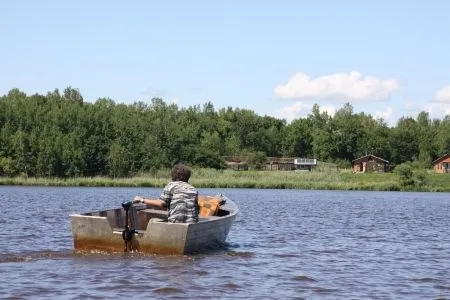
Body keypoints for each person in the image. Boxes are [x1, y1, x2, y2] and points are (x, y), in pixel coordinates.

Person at [133, 163, 199, 223]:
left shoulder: (171, 185)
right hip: (192, 224)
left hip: (176, 224)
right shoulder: (193, 189)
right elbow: (195, 208)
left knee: (153, 220)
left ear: (174, 175)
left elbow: (161, 203)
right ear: (188, 176)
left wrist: (142, 199)